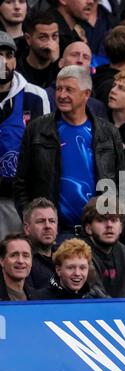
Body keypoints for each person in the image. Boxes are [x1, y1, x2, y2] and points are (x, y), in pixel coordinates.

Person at [14, 65, 125, 236]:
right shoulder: (37, 129)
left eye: (69, 90)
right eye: (59, 89)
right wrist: (32, 221)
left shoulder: (108, 133)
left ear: (86, 93)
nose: (61, 95)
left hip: (96, 234)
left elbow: (121, 183)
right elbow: (21, 182)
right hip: (52, 234)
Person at [0, 31, 50, 240]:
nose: (3, 62)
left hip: (19, 198)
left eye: (8, 55)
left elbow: (45, 150)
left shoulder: (35, 96)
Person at [23, 197, 57, 289]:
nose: (47, 226)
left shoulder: (67, 256)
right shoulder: (21, 262)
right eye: (40, 221)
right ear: (27, 229)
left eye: (52, 221)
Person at [0, 233, 34, 300]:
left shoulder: (38, 297)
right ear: (2, 261)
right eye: (14, 255)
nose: (20, 261)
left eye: (25, 255)